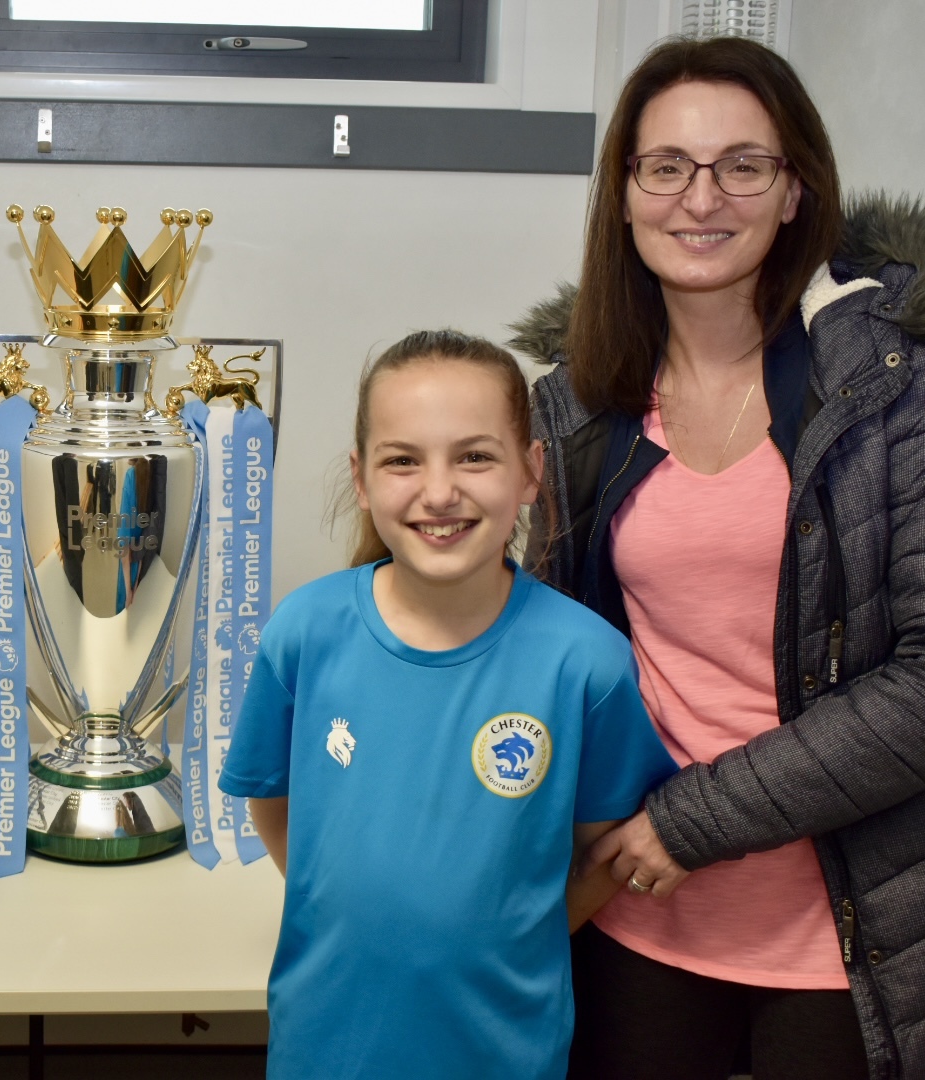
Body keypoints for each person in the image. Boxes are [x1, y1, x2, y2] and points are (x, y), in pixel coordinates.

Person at [509, 35, 925, 1080]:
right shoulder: (579, 401)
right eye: (667, 166)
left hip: (853, 945)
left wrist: (692, 822)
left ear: (793, 194)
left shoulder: (900, 387)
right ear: (625, 196)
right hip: (637, 919)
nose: (701, 198)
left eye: (743, 165)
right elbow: (539, 656)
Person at [218, 330, 677, 1079]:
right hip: (324, 1047)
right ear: (362, 479)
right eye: (403, 459)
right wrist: (355, 914)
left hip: (506, 1053)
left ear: (531, 473)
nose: (439, 491)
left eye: (475, 456)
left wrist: (501, 937)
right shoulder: (304, 632)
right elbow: (274, 806)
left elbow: (602, 855)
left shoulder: (585, 661)